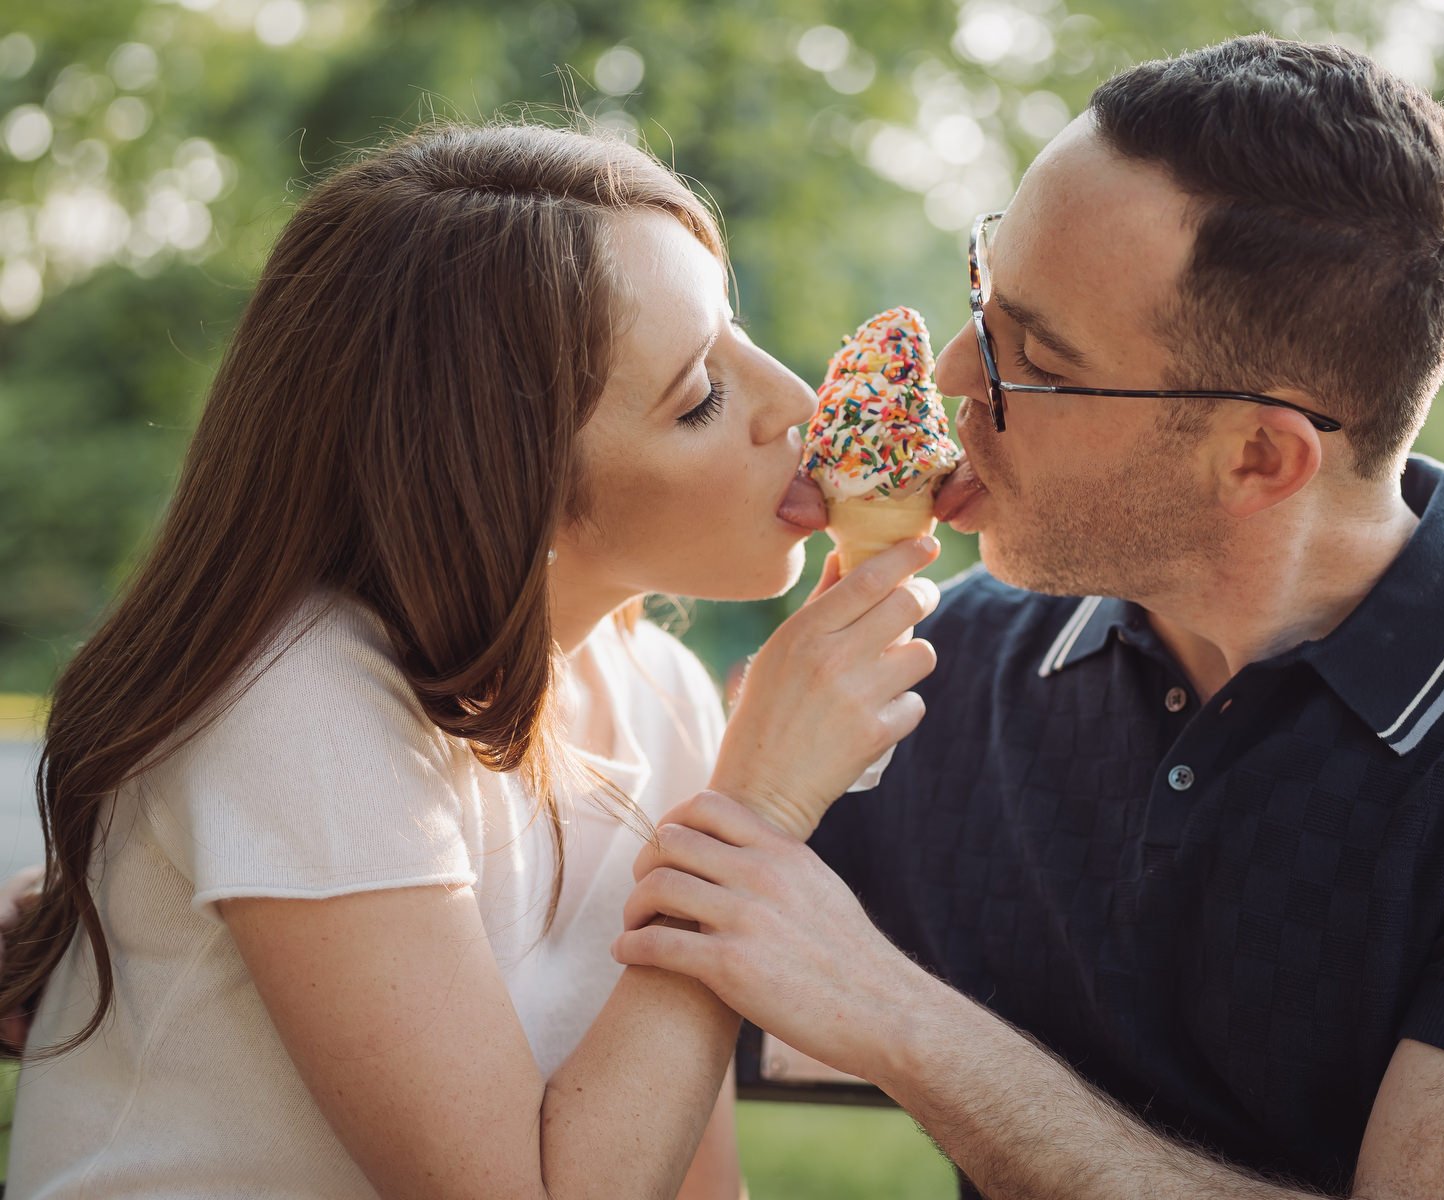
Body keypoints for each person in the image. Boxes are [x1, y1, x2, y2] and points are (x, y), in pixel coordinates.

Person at [615, 37, 1444, 1200]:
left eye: (1035, 358)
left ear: (1258, 458)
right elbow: (624, 901)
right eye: (980, 297)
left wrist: (898, 1017)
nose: (954, 378)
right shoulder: (943, 669)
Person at [0, 118, 940, 1198]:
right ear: (499, 475)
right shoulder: (297, 705)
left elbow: (693, 1178)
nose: (800, 403)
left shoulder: (658, 692)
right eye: (700, 397)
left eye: (740, 335)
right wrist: (759, 812)